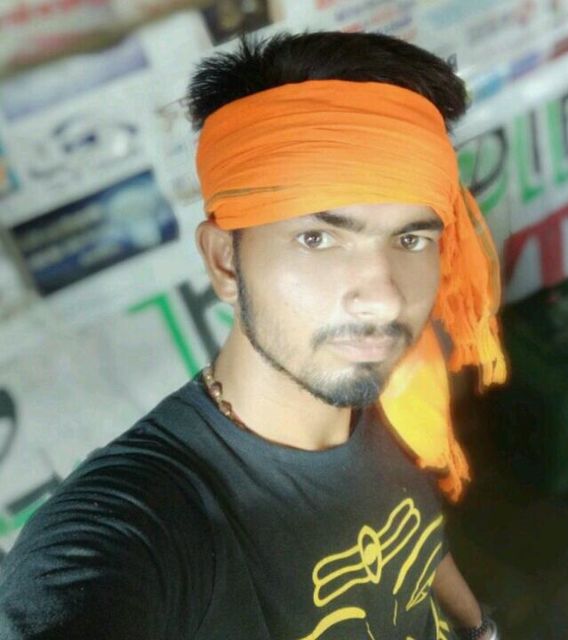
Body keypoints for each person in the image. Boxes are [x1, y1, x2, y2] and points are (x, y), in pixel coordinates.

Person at [0, 31, 505, 639]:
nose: (384, 298)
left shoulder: (388, 393)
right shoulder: (139, 527)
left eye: (411, 238)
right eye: (317, 238)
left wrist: (479, 629)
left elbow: (417, 543)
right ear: (224, 262)